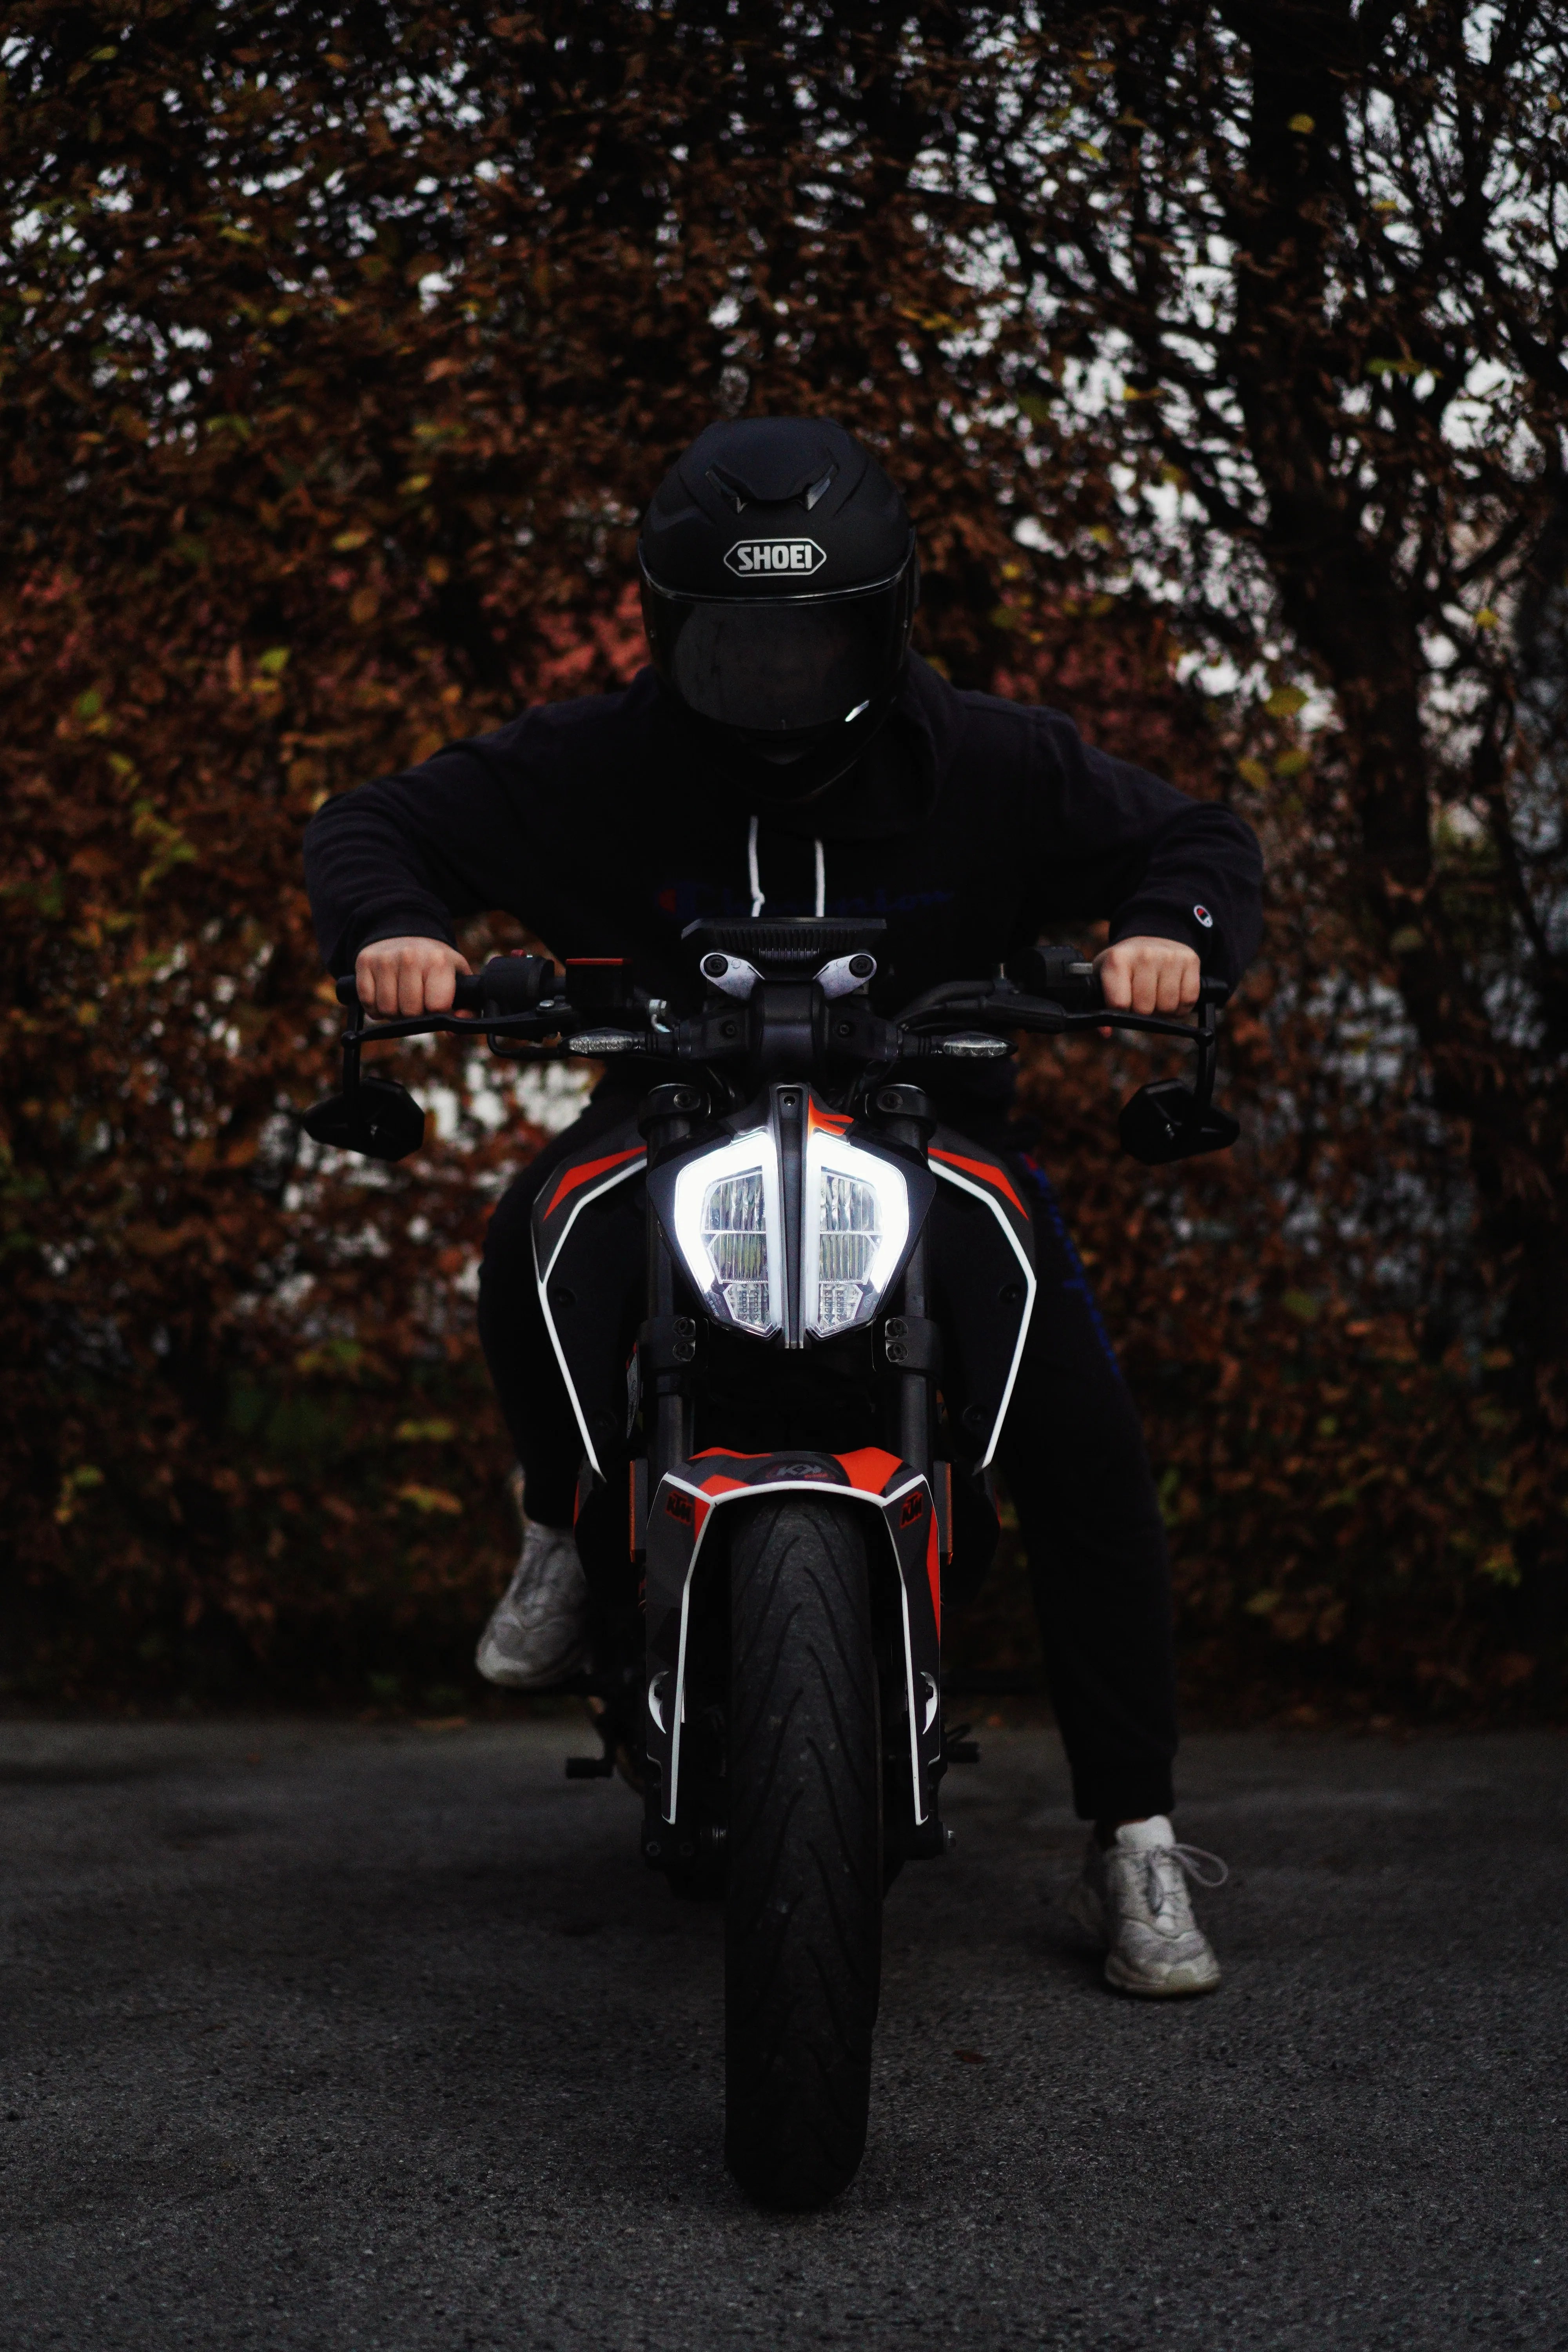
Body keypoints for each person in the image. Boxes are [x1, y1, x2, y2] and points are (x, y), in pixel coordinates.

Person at [303, 416, 1261, 1998]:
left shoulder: (989, 757)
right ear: (673, 630)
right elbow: (373, 825)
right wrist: (396, 928)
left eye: (808, 635)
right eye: (736, 641)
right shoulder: (595, 758)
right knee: (536, 1236)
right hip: (669, 1123)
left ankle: (1133, 1839)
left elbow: (1197, 835)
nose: (773, 673)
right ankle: (565, 1516)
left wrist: (1169, 928)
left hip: (929, 1133)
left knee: (1071, 1422)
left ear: (881, 624)